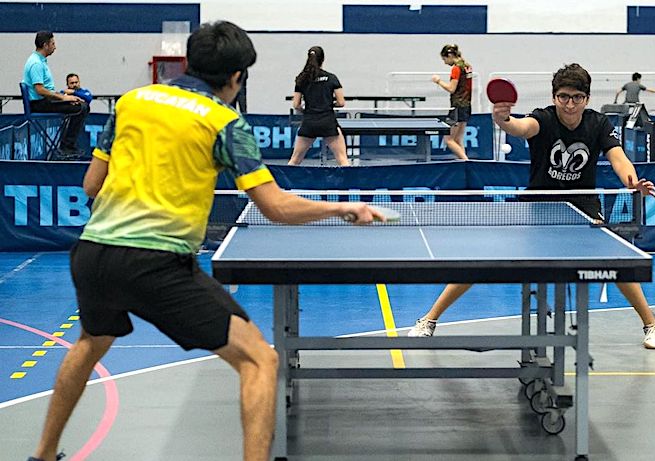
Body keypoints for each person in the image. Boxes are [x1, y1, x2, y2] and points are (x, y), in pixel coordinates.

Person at [26, 21, 384, 461]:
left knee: (89, 342)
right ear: (235, 78)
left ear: (189, 62)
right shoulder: (224, 122)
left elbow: (91, 184)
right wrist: (343, 208)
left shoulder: (131, 102)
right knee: (259, 361)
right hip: (156, 263)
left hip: (93, 253)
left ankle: (41, 455)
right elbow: (275, 207)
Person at [408, 63, 655, 350]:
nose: (570, 104)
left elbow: (618, 158)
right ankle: (429, 320)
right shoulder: (543, 119)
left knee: (616, 263)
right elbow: (521, 127)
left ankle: (652, 324)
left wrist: (632, 183)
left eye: (577, 97)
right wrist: (503, 120)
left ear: (587, 98)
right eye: (564, 97)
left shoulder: (598, 123)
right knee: (482, 259)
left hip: (583, 207)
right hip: (537, 205)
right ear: (554, 96)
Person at [22, 31, 89, 159]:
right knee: (81, 108)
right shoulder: (36, 63)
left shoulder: (40, 61)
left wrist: (65, 96)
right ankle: (66, 147)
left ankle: (67, 145)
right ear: (45, 45)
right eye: (53, 43)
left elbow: (46, 89)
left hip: (44, 101)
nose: (55, 46)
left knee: (80, 104)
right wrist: (63, 98)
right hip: (39, 104)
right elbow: (40, 90)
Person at [288, 46, 349, 166]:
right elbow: (341, 102)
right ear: (323, 59)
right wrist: (329, 104)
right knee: (342, 159)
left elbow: (296, 104)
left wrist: (305, 110)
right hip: (327, 121)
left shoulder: (302, 79)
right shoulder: (331, 78)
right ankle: (348, 184)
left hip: (309, 122)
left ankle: (284, 185)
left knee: (295, 160)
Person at [432, 44, 471, 160]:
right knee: (458, 139)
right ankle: (464, 164)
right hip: (467, 106)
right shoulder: (467, 66)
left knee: (448, 140)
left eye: (444, 59)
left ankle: (467, 161)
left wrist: (438, 81)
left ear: (449, 55)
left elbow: (451, 88)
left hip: (457, 107)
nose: (444, 62)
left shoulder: (456, 68)